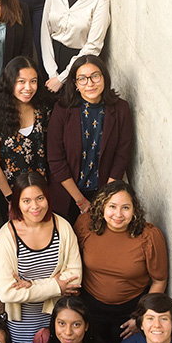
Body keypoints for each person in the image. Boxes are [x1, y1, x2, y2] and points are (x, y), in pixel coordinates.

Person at [0, 171, 81, 343]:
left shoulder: (63, 228)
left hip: (59, 320)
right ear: (17, 202)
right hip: (22, 324)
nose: (34, 206)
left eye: (40, 198)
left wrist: (30, 285)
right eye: (26, 200)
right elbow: (7, 293)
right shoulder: (6, 236)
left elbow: (75, 279)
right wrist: (56, 286)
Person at [75, 181, 168, 343]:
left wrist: (141, 317)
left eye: (125, 207)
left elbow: (159, 280)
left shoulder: (149, 237)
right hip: (90, 308)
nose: (118, 214)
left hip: (130, 313)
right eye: (112, 206)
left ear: (134, 211)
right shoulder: (86, 226)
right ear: (102, 206)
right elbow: (72, 262)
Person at [47, 55, 133, 221]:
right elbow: (55, 159)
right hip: (68, 194)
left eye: (95, 76)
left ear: (104, 77)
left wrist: (105, 199)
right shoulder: (62, 109)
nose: (90, 83)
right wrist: (81, 202)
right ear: (75, 84)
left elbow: (122, 155)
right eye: (82, 79)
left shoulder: (121, 109)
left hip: (105, 192)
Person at [40, 0, 111, 93]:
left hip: (80, 63)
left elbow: (93, 46)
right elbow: (44, 30)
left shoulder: (99, 0)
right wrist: (52, 73)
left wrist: (62, 78)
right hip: (49, 59)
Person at [0, 57, 50, 201]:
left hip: (40, 192)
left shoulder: (42, 110)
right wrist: (10, 197)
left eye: (33, 81)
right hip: (10, 192)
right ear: (9, 82)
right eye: (21, 81)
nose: (28, 87)